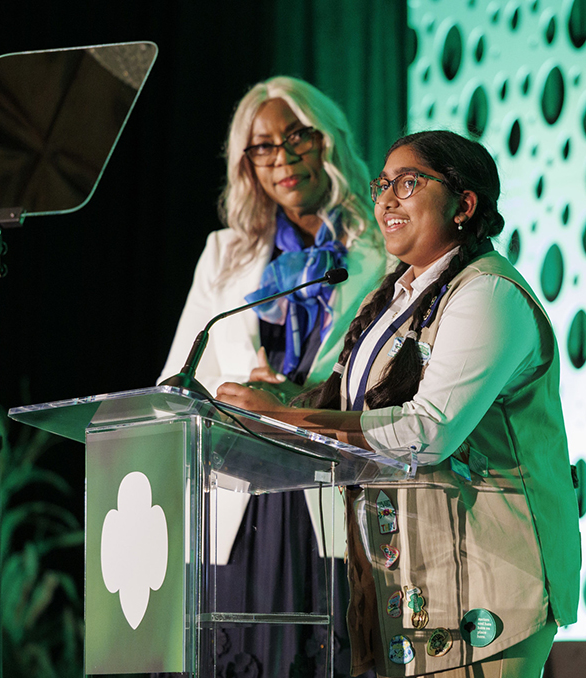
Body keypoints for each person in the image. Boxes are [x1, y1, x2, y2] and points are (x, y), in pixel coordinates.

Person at [215, 130, 582, 678]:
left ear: (464, 204)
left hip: (491, 576)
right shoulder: (391, 297)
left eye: (407, 183)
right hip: (412, 570)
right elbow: (346, 407)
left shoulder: (488, 293)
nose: (386, 199)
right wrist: (260, 409)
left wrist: (286, 417)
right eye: (382, 184)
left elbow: (427, 432)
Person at [159, 76, 387, 678]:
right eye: (262, 146)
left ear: (328, 139)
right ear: (246, 162)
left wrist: (294, 400)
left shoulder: (383, 249)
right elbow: (177, 384)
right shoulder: (223, 255)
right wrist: (234, 402)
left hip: (336, 499)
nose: (282, 158)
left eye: (297, 137)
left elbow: (396, 384)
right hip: (237, 504)